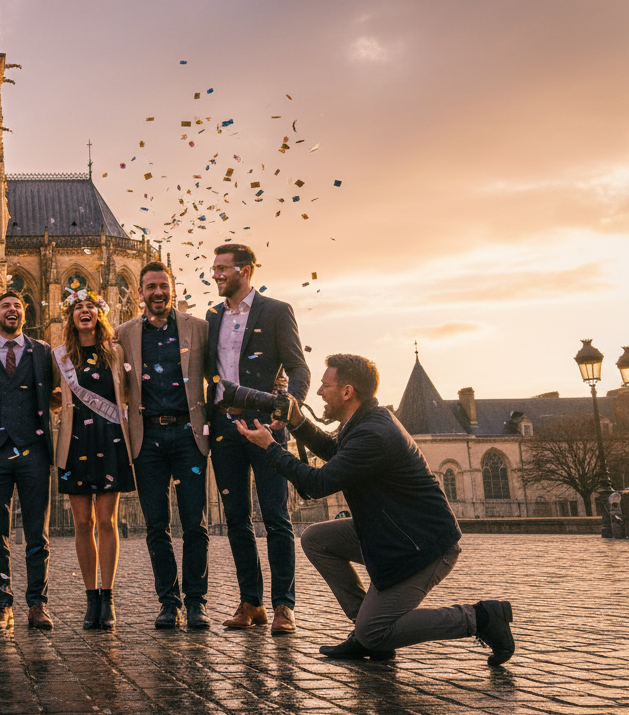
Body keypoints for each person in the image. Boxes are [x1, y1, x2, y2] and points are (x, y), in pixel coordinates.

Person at [235, 354, 515, 665]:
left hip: (423, 546)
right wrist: (298, 422)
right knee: (316, 539)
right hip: (391, 533)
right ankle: (366, 630)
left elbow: (318, 483)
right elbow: (334, 453)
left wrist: (270, 448)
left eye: (325, 386)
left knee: (376, 633)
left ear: (347, 392)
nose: (318, 393)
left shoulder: (373, 433)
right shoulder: (363, 421)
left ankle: (483, 617)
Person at [205, 243, 310, 635]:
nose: (215, 274)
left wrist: (288, 409)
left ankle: (284, 606)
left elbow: (299, 367)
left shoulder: (277, 310)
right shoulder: (212, 315)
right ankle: (252, 603)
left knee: (276, 516)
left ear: (245, 271)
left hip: (267, 425)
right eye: (214, 268)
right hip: (225, 428)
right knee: (236, 519)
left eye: (222, 268)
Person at [115, 262, 211, 629]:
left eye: (163, 286)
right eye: (150, 286)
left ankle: (197, 601)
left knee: (195, 524)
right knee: (157, 526)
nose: (157, 292)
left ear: (172, 289)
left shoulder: (198, 328)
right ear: (140, 292)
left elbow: (217, 376)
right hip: (148, 436)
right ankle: (169, 602)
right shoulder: (124, 334)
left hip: (189, 434)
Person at [0, 291, 55, 631]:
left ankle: (37, 605)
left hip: (33, 450)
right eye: (5, 306)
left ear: (24, 314)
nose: (12, 310)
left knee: (38, 533)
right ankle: (2, 604)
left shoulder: (43, 351)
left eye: (18, 306)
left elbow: (59, 391)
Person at [53, 291, 136, 630]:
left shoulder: (116, 353)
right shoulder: (61, 356)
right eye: (77, 308)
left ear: (99, 316)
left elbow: (130, 390)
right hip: (75, 440)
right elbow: (51, 393)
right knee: (83, 523)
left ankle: (108, 596)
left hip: (111, 438)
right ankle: (91, 598)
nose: (84, 311)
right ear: (71, 319)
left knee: (106, 522)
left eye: (90, 307)